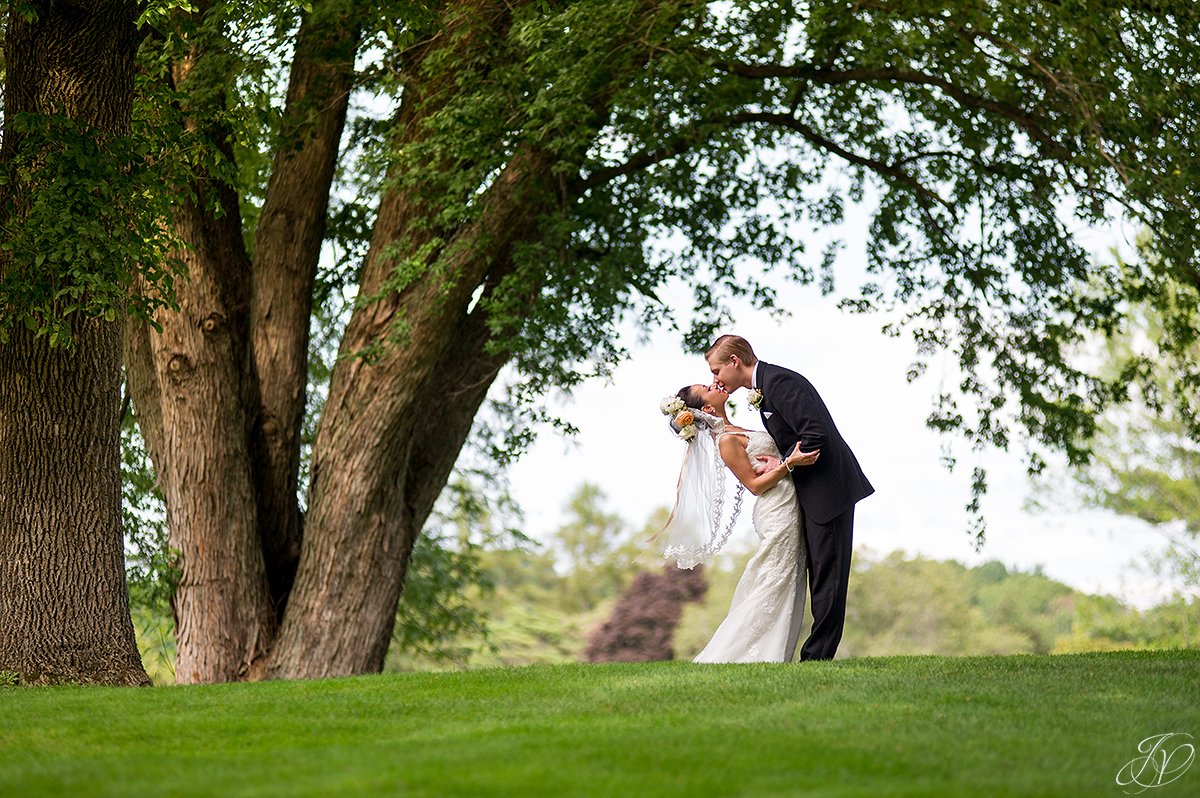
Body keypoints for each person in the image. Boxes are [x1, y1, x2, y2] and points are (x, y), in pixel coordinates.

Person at [706, 334, 874, 661]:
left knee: (830, 577)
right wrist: (782, 460)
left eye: (716, 370)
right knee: (820, 575)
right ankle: (814, 655)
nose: (716, 379)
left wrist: (785, 464)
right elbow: (798, 436)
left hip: (829, 490)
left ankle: (817, 658)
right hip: (810, 494)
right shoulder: (766, 387)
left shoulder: (780, 382)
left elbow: (815, 435)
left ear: (734, 363)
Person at [659, 383, 818, 663]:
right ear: (707, 408)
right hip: (776, 509)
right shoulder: (726, 441)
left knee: (783, 578)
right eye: (708, 387)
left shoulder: (736, 431)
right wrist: (789, 464)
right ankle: (729, 654)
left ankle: (774, 652)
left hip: (787, 501)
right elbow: (754, 485)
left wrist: (782, 461)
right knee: (774, 579)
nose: (715, 384)